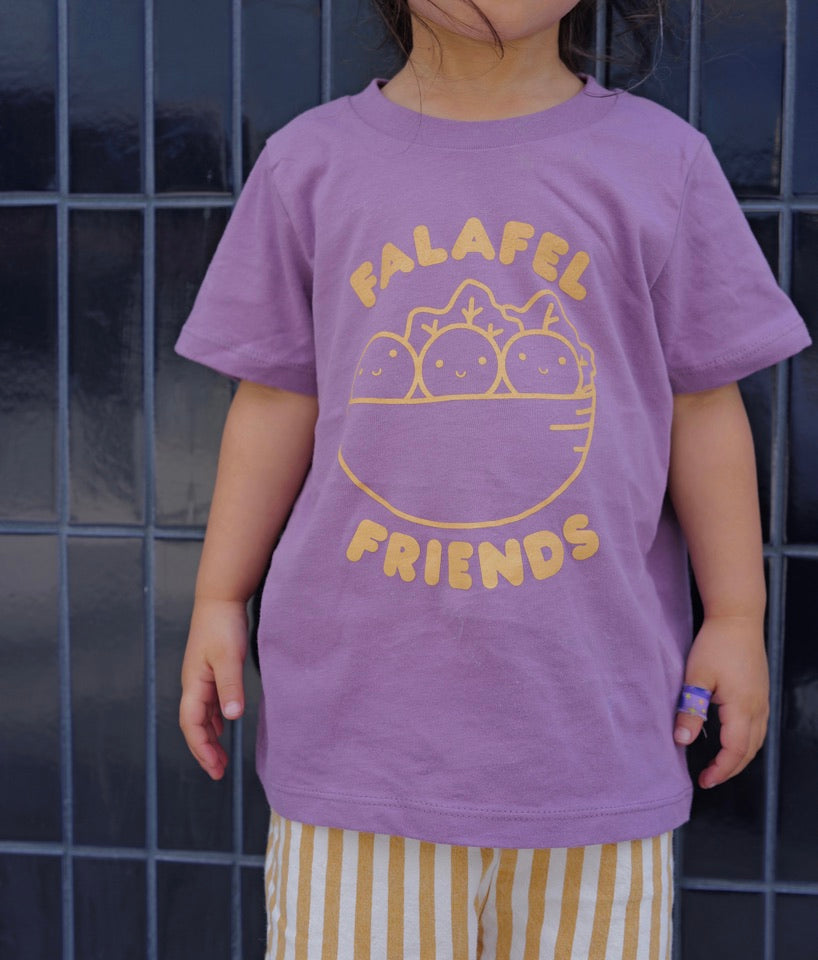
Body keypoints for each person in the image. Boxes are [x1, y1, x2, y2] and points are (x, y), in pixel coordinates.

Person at [174, 1, 811, 957]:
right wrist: (219, 597)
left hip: (595, 745)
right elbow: (271, 402)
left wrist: (735, 616)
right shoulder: (309, 163)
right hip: (359, 753)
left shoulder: (662, 161)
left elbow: (705, 406)